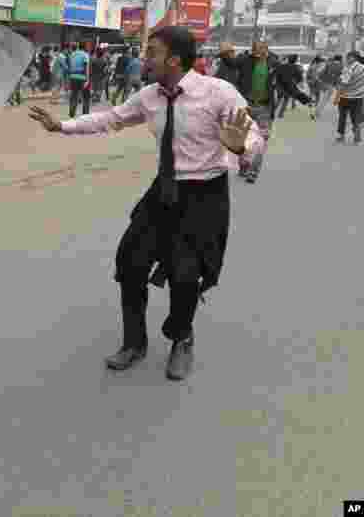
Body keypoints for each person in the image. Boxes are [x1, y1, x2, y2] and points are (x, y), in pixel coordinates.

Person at [29, 26, 263, 381]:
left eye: (151, 51)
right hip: (164, 191)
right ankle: (134, 342)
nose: (144, 58)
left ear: (173, 58)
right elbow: (111, 118)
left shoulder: (218, 93)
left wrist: (241, 147)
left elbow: (253, 136)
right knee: (131, 263)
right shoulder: (149, 96)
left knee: (186, 277)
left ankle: (181, 338)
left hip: (205, 194)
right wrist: (62, 125)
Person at [226, 41, 310, 184]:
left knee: (261, 141)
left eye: (262, 49)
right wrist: (225, 52)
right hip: (245, 107)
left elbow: (287, 83)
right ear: (252, 50)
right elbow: (231, 63)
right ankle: (244, 164)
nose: (259, 52)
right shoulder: (245, 60)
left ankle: (253, 171)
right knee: (241, 139)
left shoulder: (275, 64)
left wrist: (303, 98)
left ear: (267, 50)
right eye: (256, 49)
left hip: (265, 108)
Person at [335, 51, 364, 144]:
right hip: (359, 97)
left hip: (345, 96)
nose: (346, 59)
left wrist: (337, 97)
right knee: (356, 118)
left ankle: (341, 135)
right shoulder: (362, 67)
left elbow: (343, 83)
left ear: (353, 58)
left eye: (348, 57)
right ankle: (357, 138)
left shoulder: (349, 68)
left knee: (342, 117)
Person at [275, 54, 305, 118]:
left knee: (279, 99)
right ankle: (280, 114)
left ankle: (272, 111)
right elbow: (300, 78)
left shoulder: (282, 66)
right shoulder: (296, 68)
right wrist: (300, 84)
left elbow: (277, 75)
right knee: (285, 100)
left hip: (280, 85)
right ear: (295, 60)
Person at [67, 42, 91, 118]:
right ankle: (85, 114)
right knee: (86, 97)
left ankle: (71, 112)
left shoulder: (72, 54)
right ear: (85, 47)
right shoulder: (85, 55)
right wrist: (87, 79)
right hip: (82, 77)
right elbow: (86, 67)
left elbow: (70, 66)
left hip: (73, 77)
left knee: (73, 96)